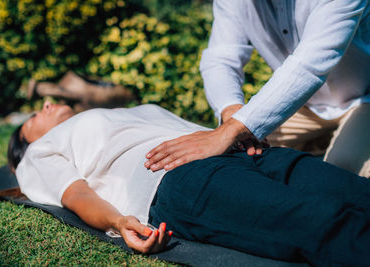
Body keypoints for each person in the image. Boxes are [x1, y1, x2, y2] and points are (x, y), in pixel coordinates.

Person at [6, 101, 370, 266]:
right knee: (322, 220)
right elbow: (76, 193)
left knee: (354, 192)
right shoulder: (38, 153)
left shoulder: (122, 111)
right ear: (26, 140)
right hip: (179, 178)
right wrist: (118, 223)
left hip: (242, 151)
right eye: (35, 116)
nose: (47, 104)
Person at [144, 0, 370, 177]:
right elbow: (222, 58)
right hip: (304, 104)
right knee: (238, 154)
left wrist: (232, 130)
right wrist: (231, 112)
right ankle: (317, 145)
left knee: (341, 172)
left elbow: (310, 64)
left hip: (365, 100)